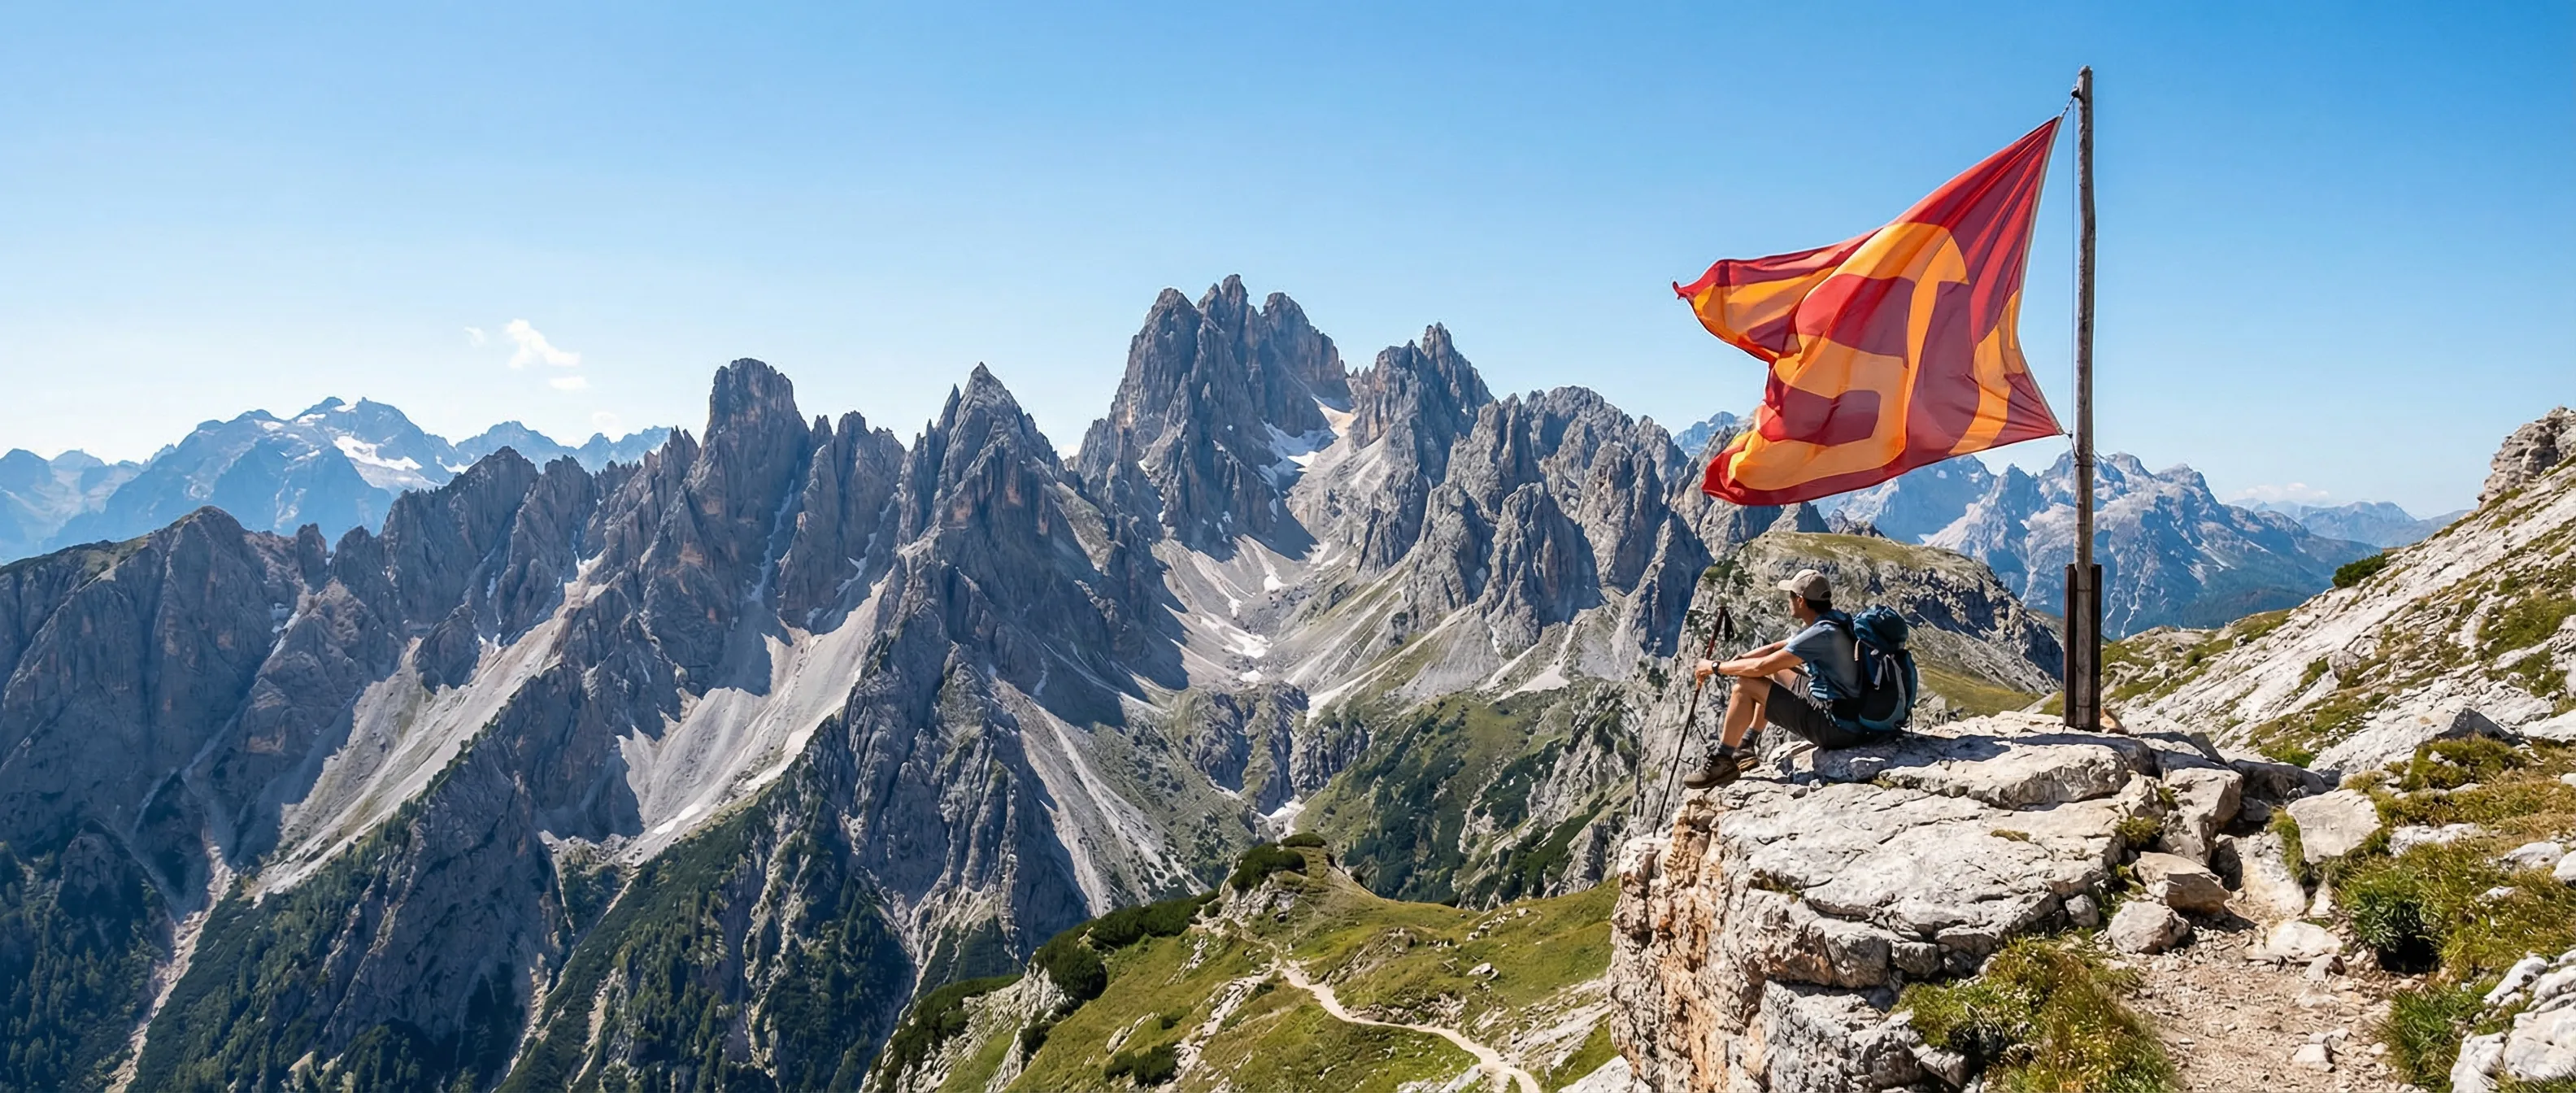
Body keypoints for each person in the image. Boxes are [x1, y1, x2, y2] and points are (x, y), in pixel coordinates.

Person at [1681, 568, 1882, 789]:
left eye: (1791, 596)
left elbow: (1760, 667)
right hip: (1849, 714)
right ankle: (1746, 745)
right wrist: (1739, 660)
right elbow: (1778, 648)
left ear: (1801, 600)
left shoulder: (1820, 634)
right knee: (1774, 671)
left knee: (1745, 686)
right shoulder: (1833, 622)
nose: (1789, 601)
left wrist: (1714, 667)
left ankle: (1723, 761)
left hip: (1837, 728)